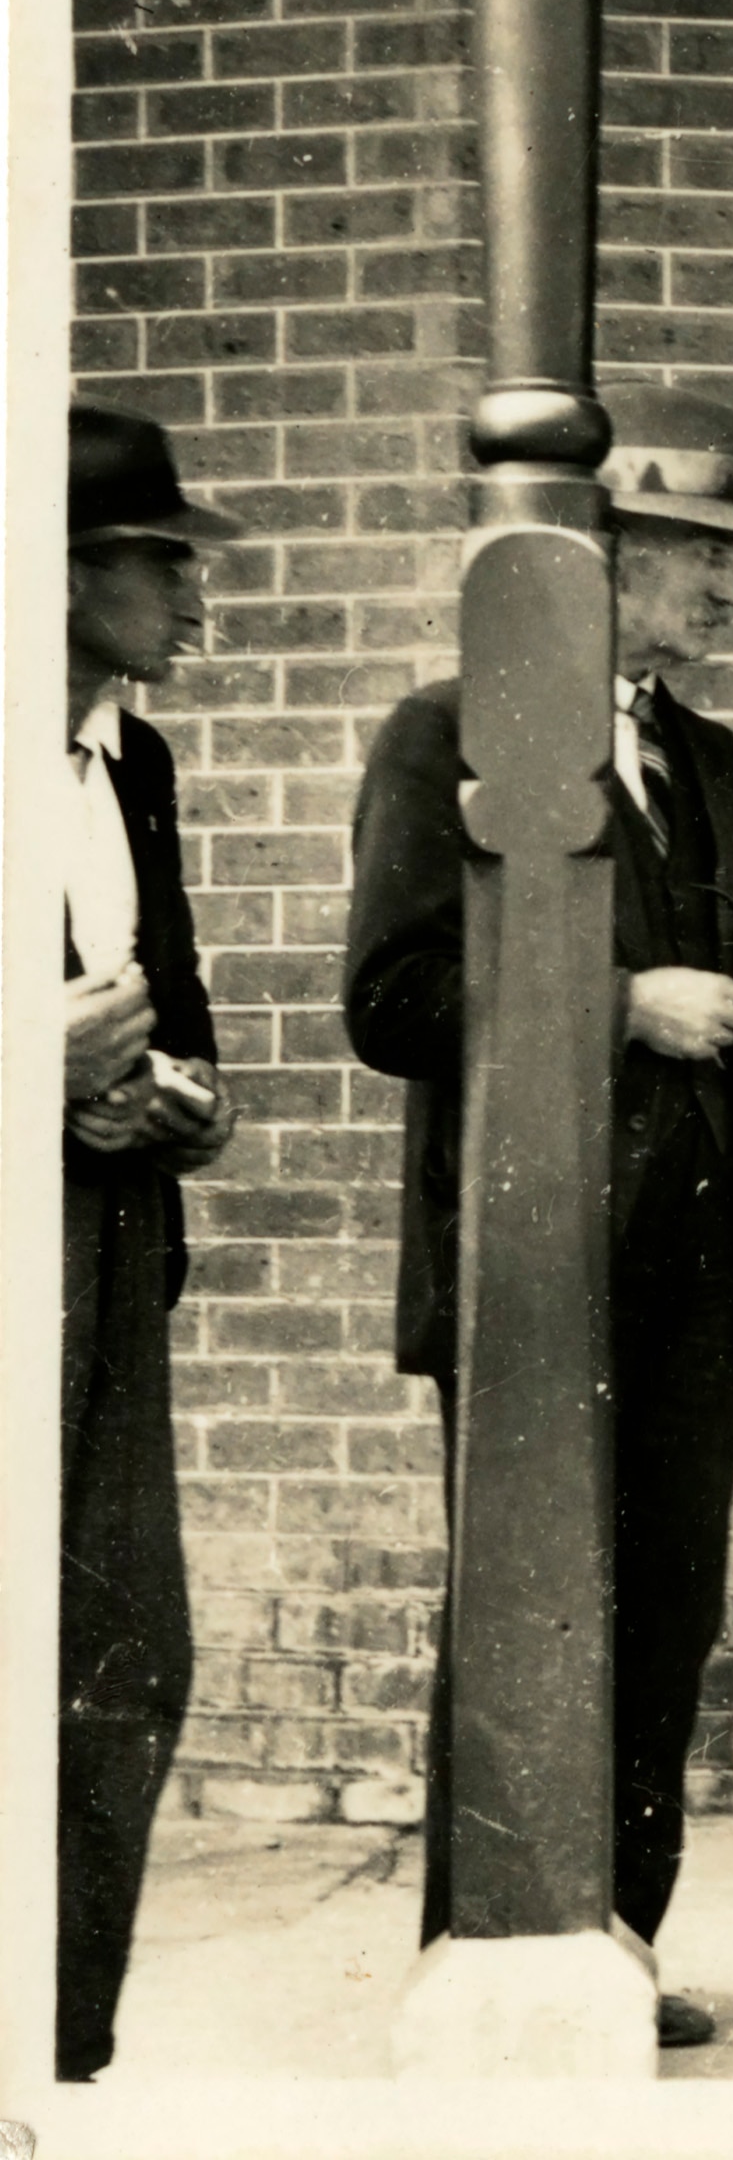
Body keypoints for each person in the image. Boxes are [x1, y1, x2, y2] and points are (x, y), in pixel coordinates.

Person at [344, 387, 733, 2044]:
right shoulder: (448, 731)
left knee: (667, 1610)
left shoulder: (710, 756)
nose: (730, 594)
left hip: (689, 1259)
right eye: (704, 559)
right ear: (606, 556)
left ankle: (618, 1946)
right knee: (524, 1611)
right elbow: (394, 998)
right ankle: (480, 1953)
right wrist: (626, 1002)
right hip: (531, 1263)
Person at [56, 404, 241, 2080]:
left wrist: (186, 1102)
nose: (194, 599)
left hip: (113, 1258)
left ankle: (62, 2054)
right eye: (160, 563)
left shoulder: (140, 765)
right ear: (54, 572)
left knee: (126, 1654)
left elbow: (182, 1021)